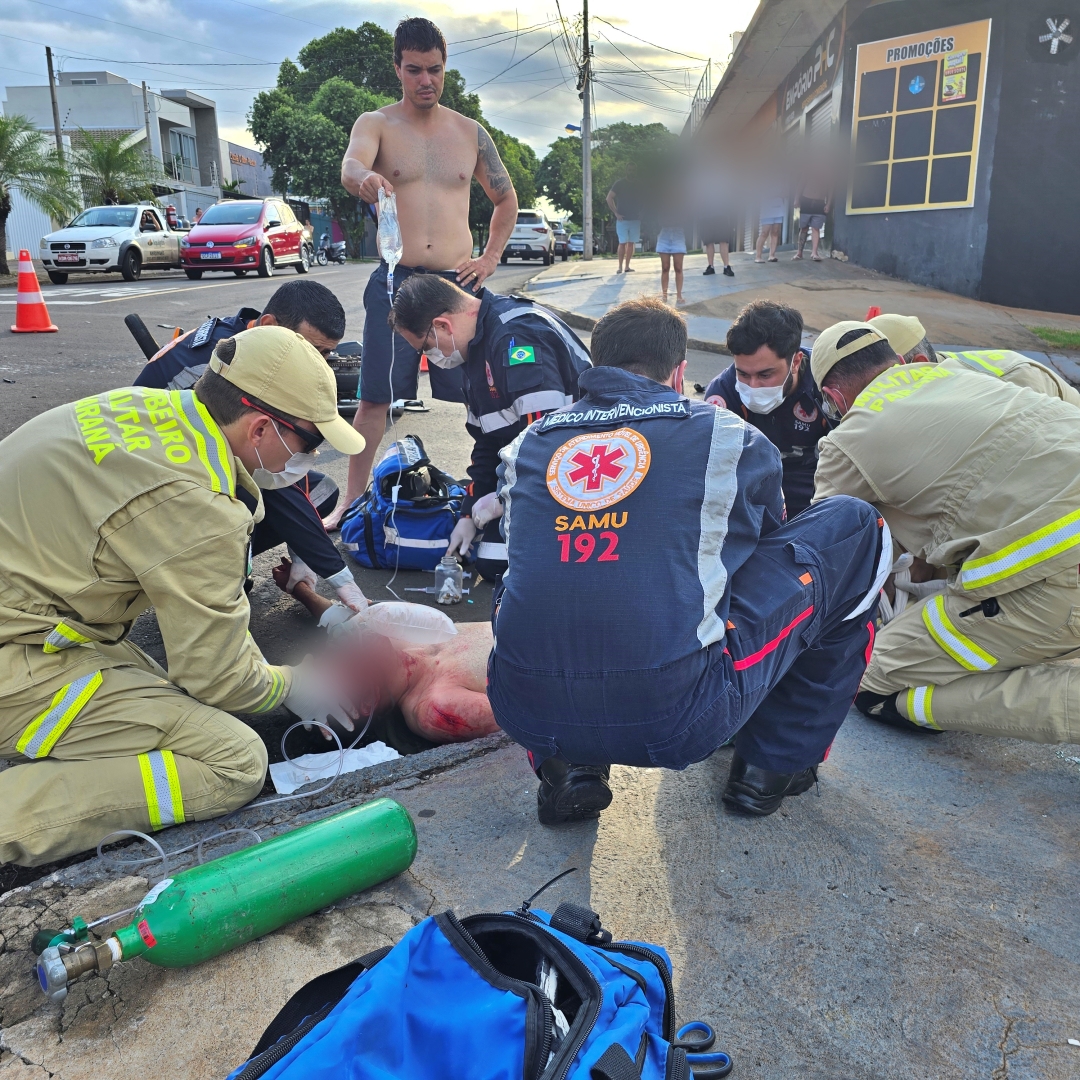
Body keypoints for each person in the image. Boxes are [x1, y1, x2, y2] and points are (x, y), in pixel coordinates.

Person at [487, 297, 889, 826]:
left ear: (593, 366)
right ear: (678, 372)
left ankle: (567, 767)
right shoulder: (728, 435)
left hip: (524, 712)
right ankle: (773, 766)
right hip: (679, 717)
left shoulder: (525, 447)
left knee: (548, 574)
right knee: (853, 527)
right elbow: (760, 559)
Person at [0, 326, 367, 866]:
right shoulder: (199, 506)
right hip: (21, 650)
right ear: (263, 426)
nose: (309, 459)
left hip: (36, 611)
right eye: (310, 443)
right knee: (234, 762)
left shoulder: (145, 409)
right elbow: (216, 675)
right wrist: (294, 683)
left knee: (167, 691)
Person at [810, 320, 1080, 744]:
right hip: (1058, 548)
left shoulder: (850, 438)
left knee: (867, 678)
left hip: (1055, 570)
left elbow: (820, 551)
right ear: (901, 361)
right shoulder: (967, 378)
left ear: (832, 398)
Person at [325, 16, 519, 531]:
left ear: (445, 67)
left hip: (458, 285)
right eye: (414, 70)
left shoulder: (470, 133)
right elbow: (350, 167)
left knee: (484, 395)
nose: (426, 80)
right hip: (396, 278)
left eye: (434, 70)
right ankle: (352, 500)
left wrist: (490, 258)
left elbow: (505, 197)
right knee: (373, 397)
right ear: (398, 69)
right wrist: (365, 178)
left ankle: (493, 496)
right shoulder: (377, 123)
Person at [133, 279, 368, 613]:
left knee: (319, 490)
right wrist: (340, 578)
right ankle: (208, 570)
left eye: (326, 354)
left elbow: (282, 458)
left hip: (211, 466)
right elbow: (261, 472)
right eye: (312, 351)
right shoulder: (220, 368)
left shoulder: (252, 343)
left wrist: (305, 552)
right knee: (257, 493)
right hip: (161, 495)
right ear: (271, 325)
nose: (317, 364)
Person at [389, 274, 590, 582]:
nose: (429, 357)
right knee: (481, 554)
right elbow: (487, 442)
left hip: (581, 474)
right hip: (542, 473)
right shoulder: (476, 348)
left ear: (443, 325)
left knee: (494, 563)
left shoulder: (516, 339)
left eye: (426, 347)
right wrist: (469, 511)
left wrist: (504, 498)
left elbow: (549, 442)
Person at [271, 558, 498, 744]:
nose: (339, 642)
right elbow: (525, 725)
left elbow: (336, 619)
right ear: (367, 701)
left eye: (327, 652)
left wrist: (297, 588)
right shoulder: (437, 709)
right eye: (338, 659)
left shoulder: (392, 646)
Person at [704, 301, 829, 517]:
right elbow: (713, 473)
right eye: (743, 374)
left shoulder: (825, 385)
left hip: (817, 485)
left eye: (765, 375)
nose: (753, 386)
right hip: (751, 490)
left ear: (796, 362)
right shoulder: (723, 394)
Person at [606, 163, 642, 274]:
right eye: (630, 169)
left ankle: (627, 266)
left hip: (635, 219)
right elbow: (609, 198)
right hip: (622, 219)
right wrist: (616, 213)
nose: (631, 171)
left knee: (631, 243)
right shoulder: (619, 184)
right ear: (626, 170)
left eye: (633, 169)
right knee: (622, 243)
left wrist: (642, 213)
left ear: (635, 171)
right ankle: (620, 267)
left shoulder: (638, 184)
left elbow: (645, 199)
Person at [792, 166, 830, 262]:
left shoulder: (828, 172)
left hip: (820, 202)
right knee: (804, 227)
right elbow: (800, 185)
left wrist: (828, 204)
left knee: (816, 228)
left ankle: (814, 253)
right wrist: (796, 199)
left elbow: (831, 189)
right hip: (806, 201)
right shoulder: (807, 170)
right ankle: (799, 253)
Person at [755, 194, 785, 263]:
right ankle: (758, 256)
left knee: (775, 231)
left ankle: (772, 255)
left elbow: (785, 193)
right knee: (764, 232)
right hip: (767, 207)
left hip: (779, 207)